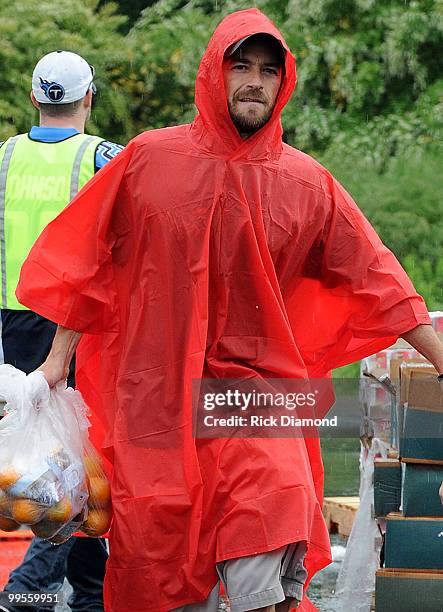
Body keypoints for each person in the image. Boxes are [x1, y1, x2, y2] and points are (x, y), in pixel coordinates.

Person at [15, 9, 443, 612]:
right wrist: (58, 363)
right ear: (213, 73)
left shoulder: (307, 183)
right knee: (159, 579)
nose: (254, 81)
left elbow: (380, 277)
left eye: (269, 70)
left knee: (265, 554)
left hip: (257, 399)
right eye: (240, 65)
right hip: (156, 402)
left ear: (284, 83)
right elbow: (84, 261)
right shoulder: (146, 161)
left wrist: (441, 361)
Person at [0, 50, 123, 612]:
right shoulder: (101, 158)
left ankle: (91, 594)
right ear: (89, 98)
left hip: (13, 322)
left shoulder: (4, 158)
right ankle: (30, 586)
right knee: (70, 464)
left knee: (56, 455)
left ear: (33, 98)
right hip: (74, 325)